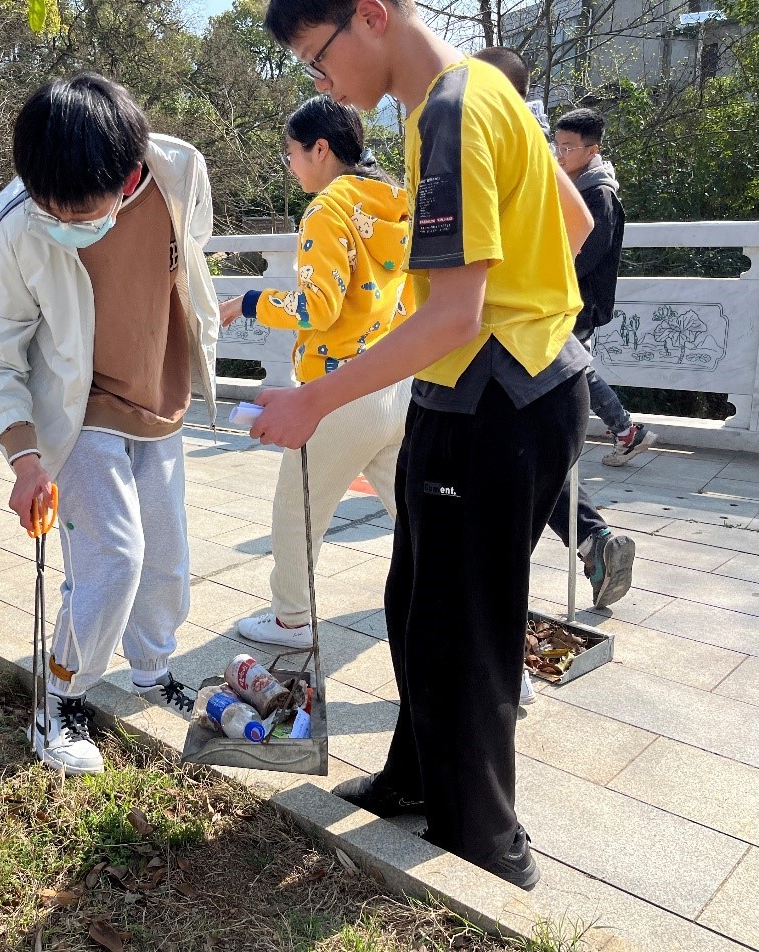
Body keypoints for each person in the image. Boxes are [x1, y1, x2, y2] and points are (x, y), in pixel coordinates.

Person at [256, 0, 598, 889]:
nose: (321, 84)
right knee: (419, 601)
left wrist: (312, 401)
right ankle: (414, 780)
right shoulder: (485, 91)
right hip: (517, 387)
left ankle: (485, 845)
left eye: (315, 59)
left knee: (465, 630)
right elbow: (572, 226)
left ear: (368, 16)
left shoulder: (445, 109)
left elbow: (454, 309)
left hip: (492, 398)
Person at [0, 73, 220, 776]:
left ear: (128, 171)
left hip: (159, 397)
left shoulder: (178, 172)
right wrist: (23, 457)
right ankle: (62, 696)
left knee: (166, 561)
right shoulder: (16, 222)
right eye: (53, 209)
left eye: (84, 212)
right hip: (73, 412)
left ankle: (150, 667)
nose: (67, 224)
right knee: (114, 558)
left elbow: (189, 255)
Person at [471, 55, 638, 687]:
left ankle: (506, 654)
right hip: (544, 334)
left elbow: (577, 237)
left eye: (571, 145)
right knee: (537, 458)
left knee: (521, 466)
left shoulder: (583, 182)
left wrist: (524, 290)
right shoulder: (542, 156)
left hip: (535, 335)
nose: (561, 150)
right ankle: (592, 541)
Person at [222, 97, 413, 649]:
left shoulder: (328, 209)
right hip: (391, 378)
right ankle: (480, 626)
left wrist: (253, 301)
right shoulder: (393, 200)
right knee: (417, 516)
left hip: (339, 388)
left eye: (292, 153)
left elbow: (318, 307)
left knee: (295, 510)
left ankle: (290, 621)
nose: (290, 164)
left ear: (320, 149)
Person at [554, 107, 655, 467]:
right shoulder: (577, 186)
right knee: (573, 363)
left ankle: (626, 431)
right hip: (569, 293)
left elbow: (587, 255)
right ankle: (627, 432)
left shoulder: (598, 194)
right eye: (557, 145)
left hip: (580, 297)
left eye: (568, 147)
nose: (559, 154)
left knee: (572, 364)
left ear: (591, 150)